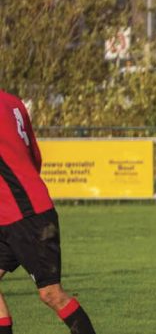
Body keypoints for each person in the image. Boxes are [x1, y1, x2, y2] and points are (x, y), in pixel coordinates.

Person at [0, 90, 96, 334]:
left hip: (25, 215)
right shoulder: (12, 102)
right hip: (18, 210)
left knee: (51, 293)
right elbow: (35, 156)